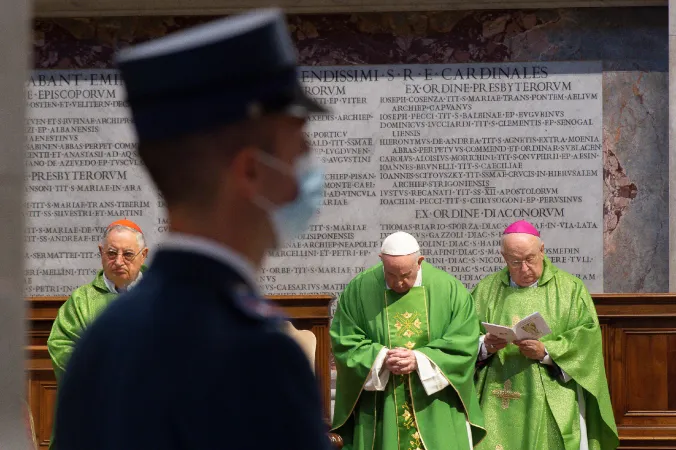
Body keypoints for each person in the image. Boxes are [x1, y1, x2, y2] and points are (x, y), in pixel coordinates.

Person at [53, 9, 330, 450]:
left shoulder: (102, 341)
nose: (308, 173)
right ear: (251, 173)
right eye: (301, 148)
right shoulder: (259, 355)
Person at [330, 231, 486, 450]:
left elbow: (463, 342)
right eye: (391, 274)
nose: (398, 282)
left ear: (420, 262)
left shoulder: (450, 290)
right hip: (381, 405)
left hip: (434, 404)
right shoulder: (359, 289)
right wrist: (382, 358)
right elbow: (345, 341)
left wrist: (419, 360)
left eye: (405, 274)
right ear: (381, 260)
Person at [472, 220, 618, 450]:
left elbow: (587, 340)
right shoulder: (486, 290)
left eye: (530, 259)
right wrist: (484, 346)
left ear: (542, 250)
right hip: (497, 395)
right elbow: (463, 339)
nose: (524, 269)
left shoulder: (570, 289)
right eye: (515, 262)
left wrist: (547, 352)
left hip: (551, 393)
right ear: (503, 257)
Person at [47, 219, 148, 383]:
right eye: (112, 253)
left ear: (143, 255)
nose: (118, 261)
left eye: (128, 254)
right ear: (101, 252)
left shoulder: (161, 296)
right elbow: (61, 345)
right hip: (99, 397)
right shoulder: (81, 300)